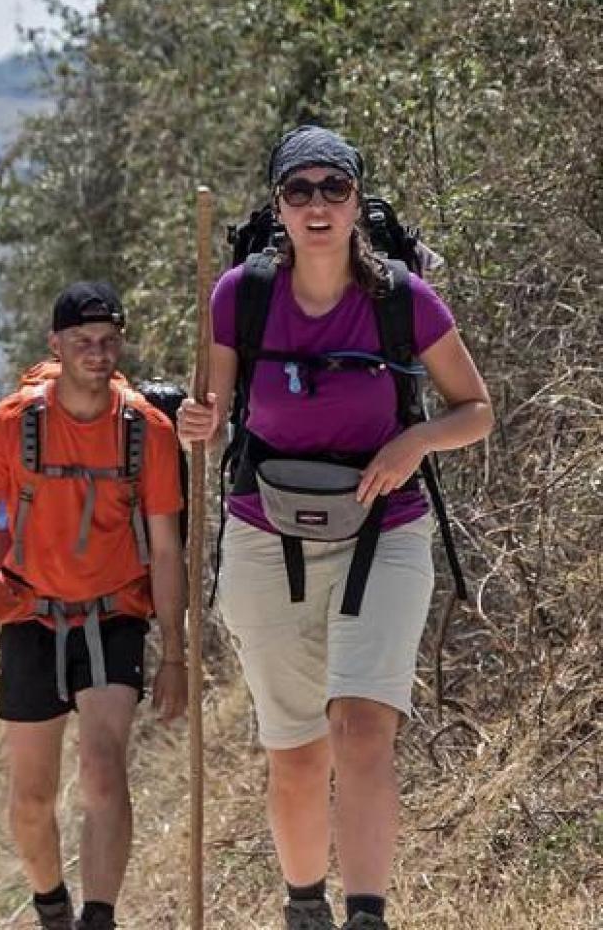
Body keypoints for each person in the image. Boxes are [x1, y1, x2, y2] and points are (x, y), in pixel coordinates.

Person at [177, 127, 492, 930]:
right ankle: (305, 906)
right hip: (264, 533)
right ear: (278, 206)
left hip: (385, 528)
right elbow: (212, 422)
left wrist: (412, 441)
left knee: (358, 727)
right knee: (295, 752)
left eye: (334, 188)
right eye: (300, 190)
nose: (318, 204)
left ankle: (367, 915)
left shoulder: (405, 301)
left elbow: (475, 410)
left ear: (357, 199)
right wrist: (193, 421)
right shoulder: (238, 296)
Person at [0, 282, 187, 930]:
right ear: (55, 346)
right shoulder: (10, 424)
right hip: (30, 615)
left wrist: (173, 652)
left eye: (109, 341)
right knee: (31, 800)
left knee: (102, 771)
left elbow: (167, 548)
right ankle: (51, 905)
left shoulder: (147, 430)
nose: (97, 353)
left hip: (113, 614)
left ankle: (100, 917)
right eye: (83, 341)